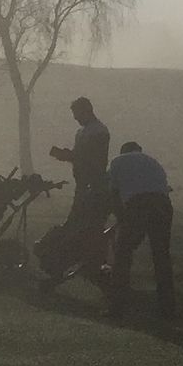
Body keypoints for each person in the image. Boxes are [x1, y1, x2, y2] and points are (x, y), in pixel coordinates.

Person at [39, 95, 115, 288]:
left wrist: (66, 155)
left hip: (94, 187)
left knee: (86, 227)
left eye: (77, 113)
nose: (75, 118)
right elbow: (81, 158)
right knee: (81, 227)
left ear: (87, 110)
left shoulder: (98, 131)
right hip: (83, 186)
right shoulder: (84, 131)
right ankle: (90, 264)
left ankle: (87, 264)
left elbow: (90, 159)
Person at [104, 140, 175, 319]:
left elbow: (113, 193)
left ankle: (117, 305)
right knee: (161, 255)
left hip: (138, 204)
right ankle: (167, 305)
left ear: (123, 151)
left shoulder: (117, 162)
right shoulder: (153, 161)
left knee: (123, 253)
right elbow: (163, 188)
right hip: (163, 205)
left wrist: (121, 217)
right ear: (139, 150)